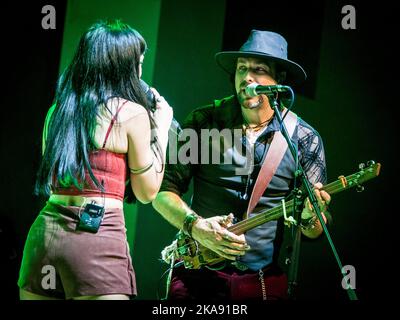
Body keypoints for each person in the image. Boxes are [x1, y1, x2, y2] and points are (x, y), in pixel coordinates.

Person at [152, 30, 331, 300]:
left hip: (261, 282)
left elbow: (315, 229)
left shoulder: (303, 139)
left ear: (279, 80)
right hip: (196, 276)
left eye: (258, 70)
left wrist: (309, 217)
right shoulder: (204, 122)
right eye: (241, 69)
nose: (247, 77)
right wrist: (196, 226)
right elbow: (162, 193)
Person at [18, 20, 173, 300]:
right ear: (123, 68)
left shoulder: (57, 112)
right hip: (96, 237)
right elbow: (147, 191)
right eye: (137, 63)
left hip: (44, 237)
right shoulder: (130, 113)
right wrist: (160, 130)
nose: (140, 71)